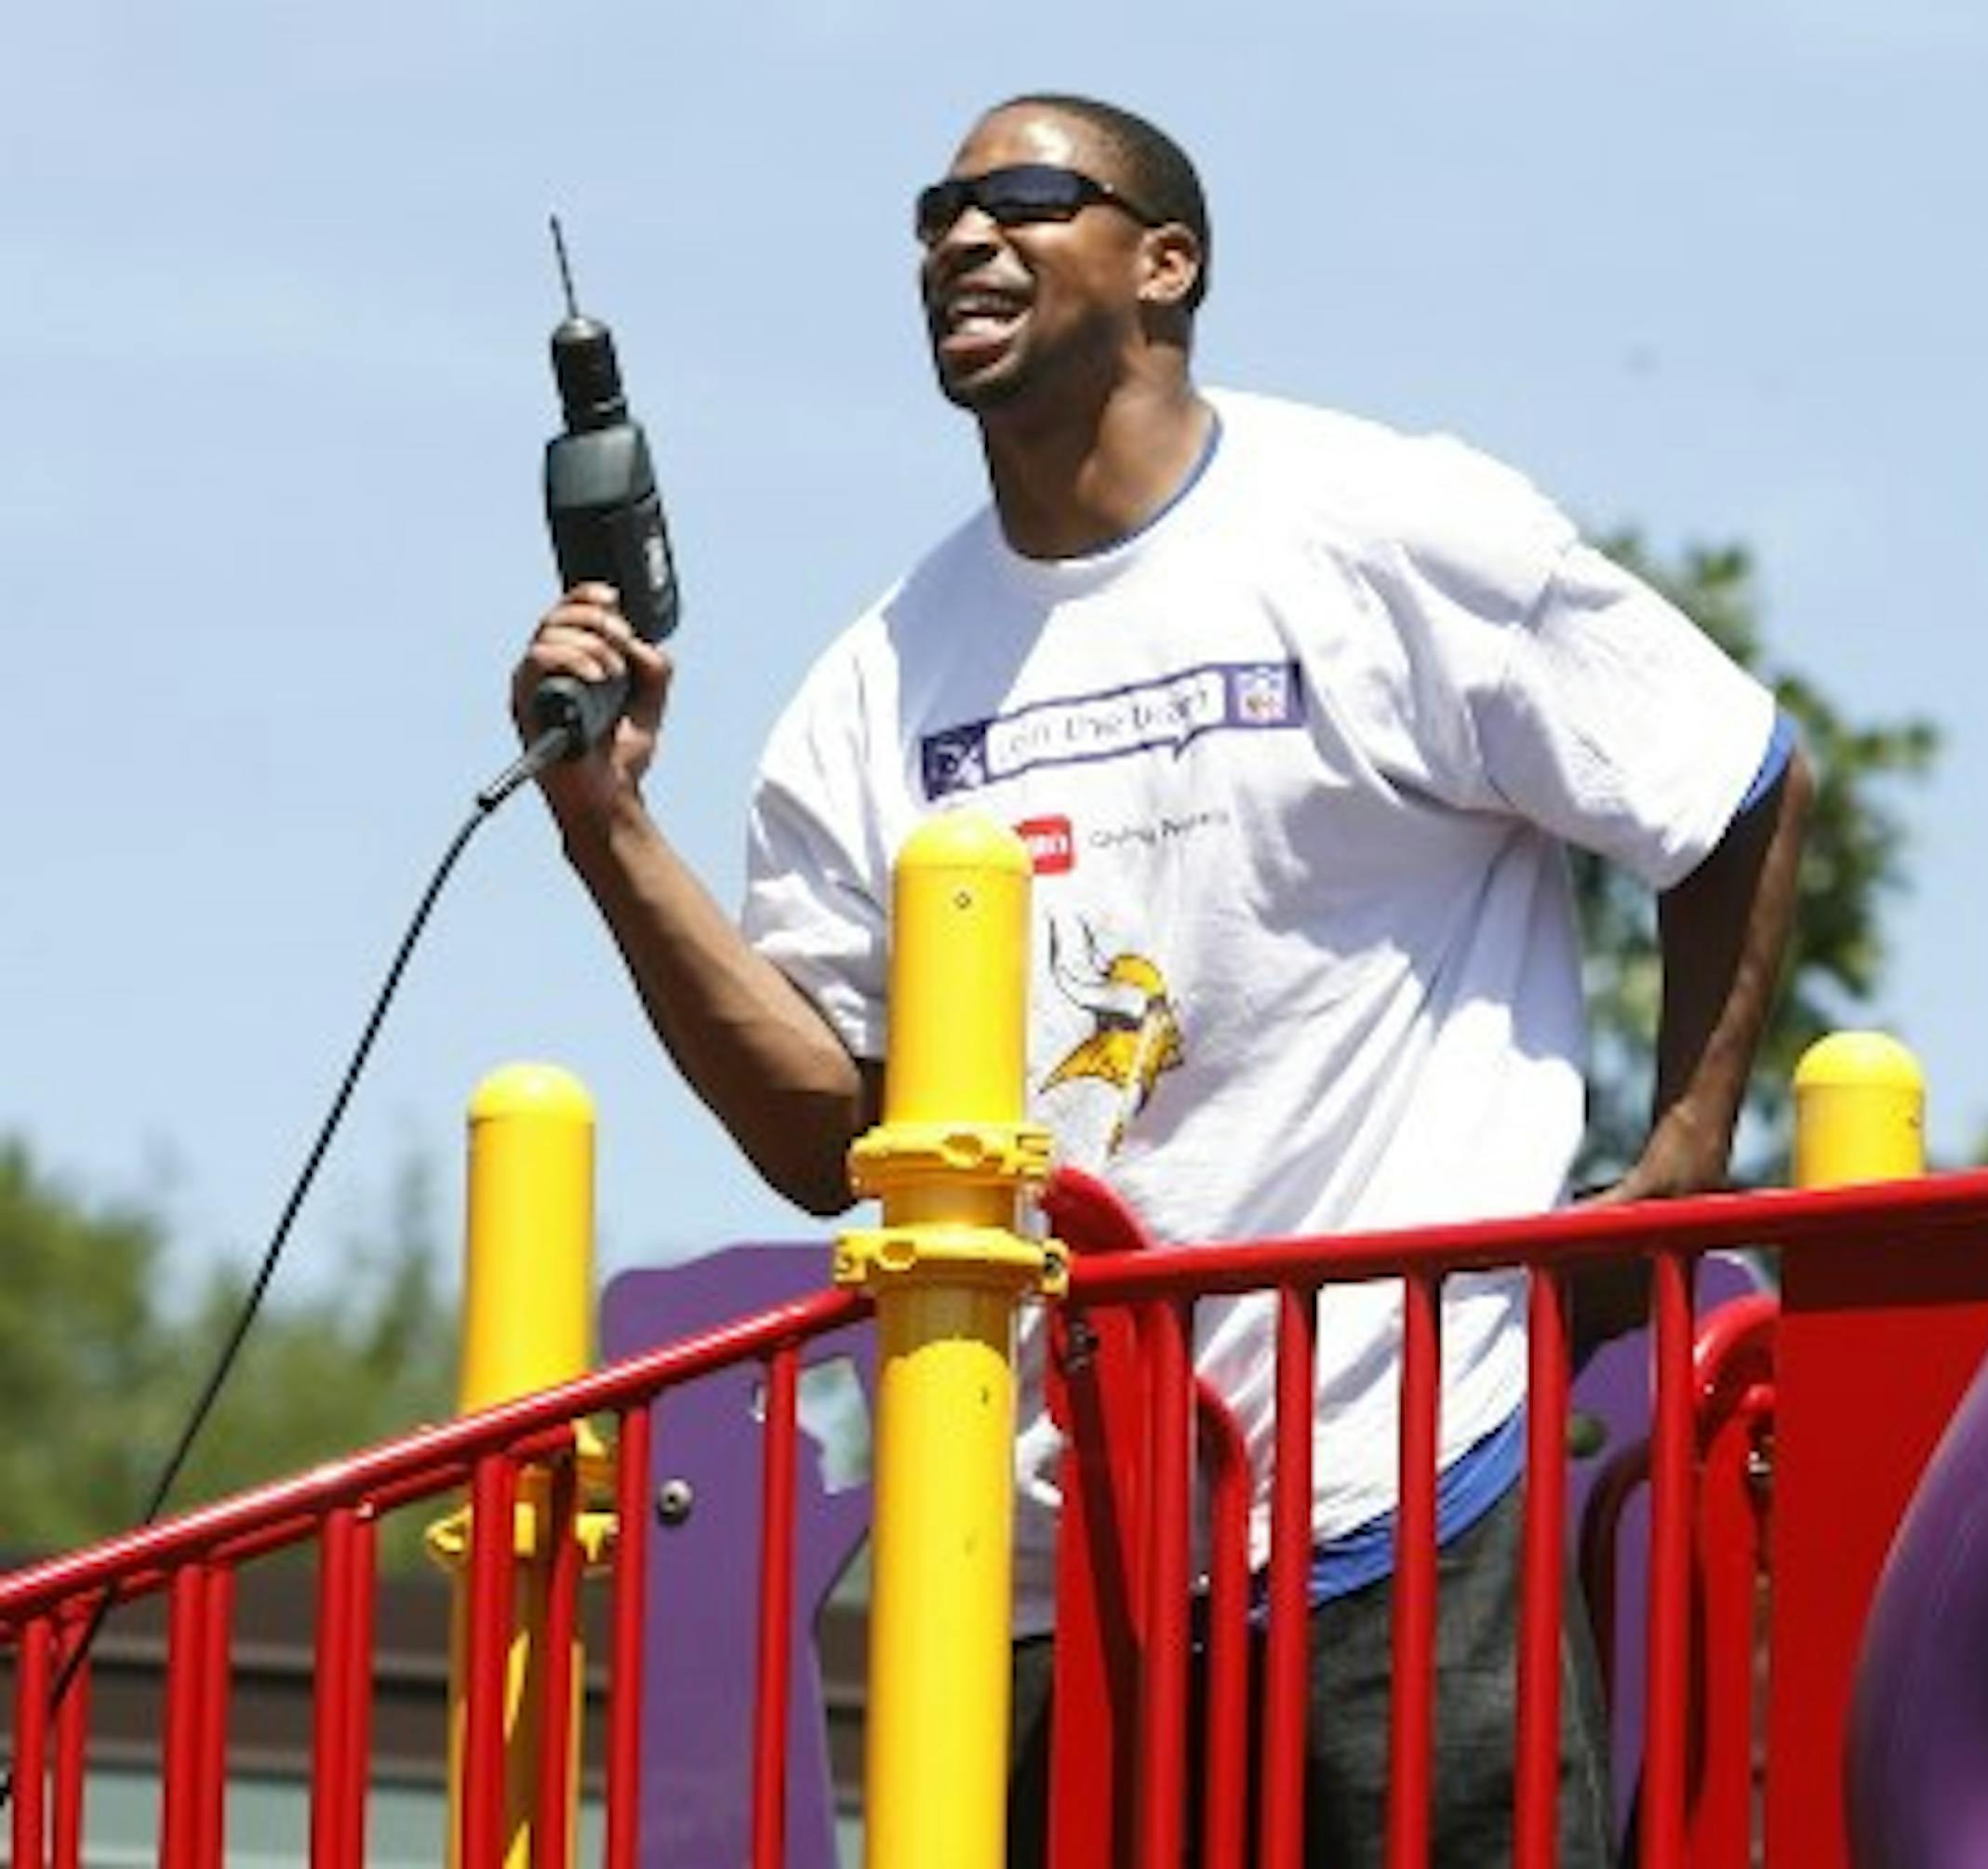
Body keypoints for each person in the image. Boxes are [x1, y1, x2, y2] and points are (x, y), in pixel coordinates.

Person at [513, 92, 1810, 1867]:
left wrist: (1678, 1167)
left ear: (1166, 264)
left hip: (1402, 1477)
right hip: (1055, 1557)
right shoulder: (873, 691)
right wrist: (610, 832)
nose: (960, 239)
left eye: (1023, 199)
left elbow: (1732, 778)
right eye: (933, 213)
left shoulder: (1379, 530)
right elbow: (839, 1135)